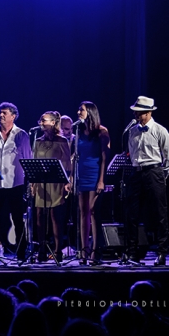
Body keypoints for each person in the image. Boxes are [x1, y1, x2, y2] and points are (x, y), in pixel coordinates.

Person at [124, 96, 169, 266]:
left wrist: (161, 175)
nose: (136, 115)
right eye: (136, 112)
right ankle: (132, 252)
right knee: (132, 214)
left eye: (139, 112)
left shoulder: (160, 130)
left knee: (160, 213)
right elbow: (131, 153)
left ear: (148, 113)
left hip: (154, 171)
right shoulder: (132, 131)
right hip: (137, 172)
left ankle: (161, 252)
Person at [0, 102, 32, 259]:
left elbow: (28, 159)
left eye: (4, 113)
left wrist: (30, 183)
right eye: (0, 112)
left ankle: (21, 252)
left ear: (13, 116)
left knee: (17, 219)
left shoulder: (21, 135)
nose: (1, 115)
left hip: (15, 183)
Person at [72, 101, 110, 265]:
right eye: (79, 109)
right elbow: (75, 156)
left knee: (94, 211)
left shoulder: (102, 132)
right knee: (83, 213)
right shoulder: (78, 131)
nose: (78, 112)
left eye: (81, 110)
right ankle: (84, 250)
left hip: (95, 174)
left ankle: (96, 250)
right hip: (82, 175)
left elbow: (104, 158)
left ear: (91, 112)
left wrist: (101, 180)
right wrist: (72, 176)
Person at [32, 111, 72, 263]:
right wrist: (32, 183)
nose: (41, 123)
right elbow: (34, 161)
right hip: (41, 182)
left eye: (44, 120)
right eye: (41, 120)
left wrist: (67, 182)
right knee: (40, 216)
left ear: (54, 123)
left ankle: (57, 251)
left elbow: (67, 163)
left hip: (56, 182)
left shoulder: (62, 141)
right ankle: (42, 250)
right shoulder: (38, 141)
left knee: (56, 216)